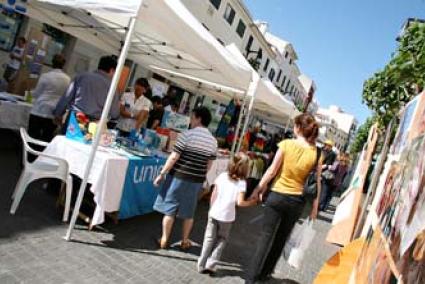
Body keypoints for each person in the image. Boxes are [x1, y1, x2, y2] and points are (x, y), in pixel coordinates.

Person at [246, 113, 322, 283]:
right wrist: (315, 209)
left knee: (265, 238)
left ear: (298, 128)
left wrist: (258, 188)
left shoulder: (286, 144)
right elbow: (317, 183)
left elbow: (272, 170)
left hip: (277, 196)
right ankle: (265, 275)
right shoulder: (317, 152)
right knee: (280, 240)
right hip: (297, 202)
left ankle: (251, 279)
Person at [153, 107, 218, 250]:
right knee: (189, 212)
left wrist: (162, 173)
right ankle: (184, 240)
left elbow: (174, 157)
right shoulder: (213, 142)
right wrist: (199, 174)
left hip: (179, 176)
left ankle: (164, 239)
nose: (191, 120)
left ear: (199, 118)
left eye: (193, 117)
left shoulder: (187, 135)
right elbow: (209, 164)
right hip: (196, 180)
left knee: (170, 209)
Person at [197, 153, 257, 274]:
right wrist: (252, 203)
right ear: (245, 168)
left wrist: (211, 208)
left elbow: (213, 194)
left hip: (214, 212)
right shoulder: (241, 183)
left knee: (208, 238)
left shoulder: (222, 176)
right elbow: (240, 202)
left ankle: (201, 264)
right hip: (227, 216)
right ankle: (211, 263)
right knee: (222, 239)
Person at [53, 55, 119, 129]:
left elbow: (66, 97)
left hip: (74, 118)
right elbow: (114, 113)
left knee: (66, 139)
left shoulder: (81, 76)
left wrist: (58, 114)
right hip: (93, 125)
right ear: (112, 70)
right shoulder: (112, 87)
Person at [28, 54, 70, 143]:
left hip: (39, 109)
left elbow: (36, 94)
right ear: (63, 65)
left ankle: (29, 155)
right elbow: (66, 97)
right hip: (54, 113)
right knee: (46, 138)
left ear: (52, 63)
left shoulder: (46, 76)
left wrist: (31, 92)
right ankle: (41, 155)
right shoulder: (68, 79)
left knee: (32, 137)